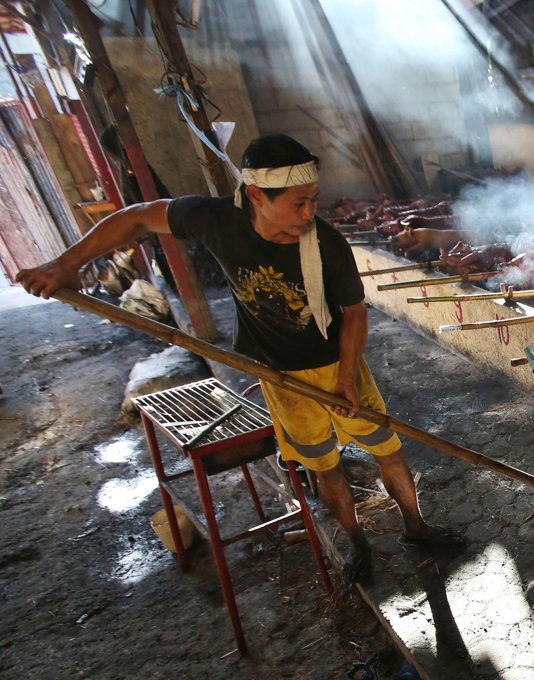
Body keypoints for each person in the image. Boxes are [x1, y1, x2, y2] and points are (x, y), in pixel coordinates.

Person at [18, 133, 456, 584]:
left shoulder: (325, 243)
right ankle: (357, 542)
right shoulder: (215, 220)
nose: (309, 214)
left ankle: (416, 528)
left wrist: (346, 378)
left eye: (314, 201)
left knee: (388, 449)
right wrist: (67, 265)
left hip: (335, 365)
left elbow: (355, 314)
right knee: (322, 464)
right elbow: (137, 220)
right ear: (255, 197)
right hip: (277, 374)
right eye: (298, 203)